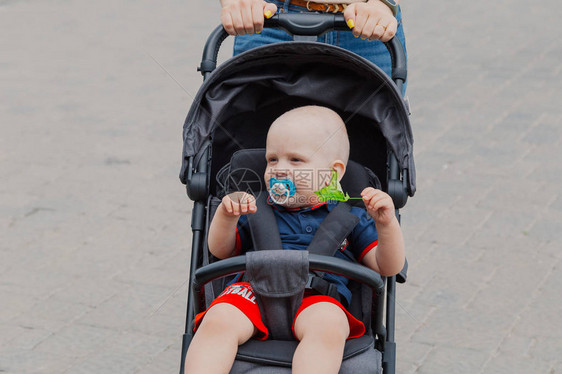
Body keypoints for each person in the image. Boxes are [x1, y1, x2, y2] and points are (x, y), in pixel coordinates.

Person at [184, 105, 405, 373]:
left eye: (296, 160)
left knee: (329, 325)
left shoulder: (353, 217)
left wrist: (386, 225)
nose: (278, 170)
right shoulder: (254, 206)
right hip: (253, 291)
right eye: (272, 159)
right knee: (218, 319)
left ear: (332, 173)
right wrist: (226, 217)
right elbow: (220, 251)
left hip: (319, 297)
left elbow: (387, 267)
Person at [219, 0, 407, 86]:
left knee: (376, 151)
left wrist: (384, 3)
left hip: (369, 18)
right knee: (252, 145)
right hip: (268, 14)